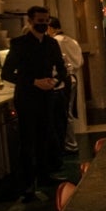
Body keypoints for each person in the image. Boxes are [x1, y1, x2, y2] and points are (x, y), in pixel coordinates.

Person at [1, 6, 68, 201]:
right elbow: (7, 74)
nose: (44, 24)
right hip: (27, 97)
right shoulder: (19, 44)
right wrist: (33, 81)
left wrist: (55, 81)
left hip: (47, 96)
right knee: (27, 140)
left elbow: (61, 68)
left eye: (46, 21)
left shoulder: (51, 44)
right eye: (40, 21)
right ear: (30, 21)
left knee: (45, 136)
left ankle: (45, 176)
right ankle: (28, 184)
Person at [47, 17, 83, 153]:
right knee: (68, 111)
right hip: (73, 77)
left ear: (51, 28)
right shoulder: (72, 41)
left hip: (63, 80)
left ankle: (70, 144)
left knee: (65, 113)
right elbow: (80, 62)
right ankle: (70, 143)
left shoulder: (54, 42)